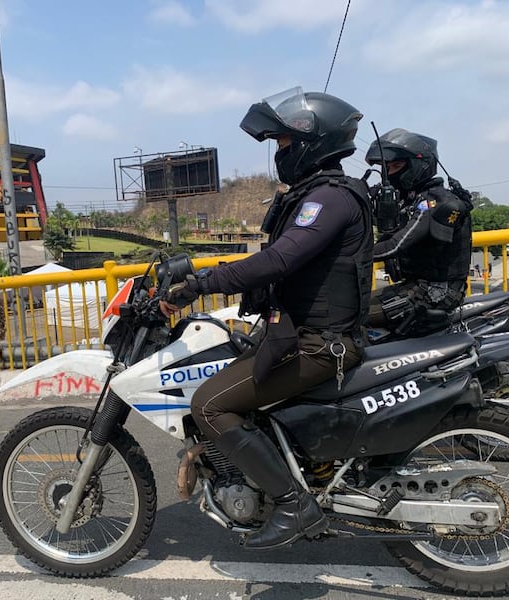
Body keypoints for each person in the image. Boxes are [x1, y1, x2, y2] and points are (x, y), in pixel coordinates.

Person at [161, 87, 373, 550]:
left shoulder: (329, 199)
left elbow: (279, 261)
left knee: (210, 405)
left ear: (310, 142)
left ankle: (294, 505)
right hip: (305, 335)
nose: (279, 154)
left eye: (282, 143)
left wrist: (200, 283)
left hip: (320, 345)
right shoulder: (319, 195)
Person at [364, 128, 473, 335]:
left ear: (417, 165)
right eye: (387, 168)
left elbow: (395, 244)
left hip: (435, 293)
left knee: (352, 317)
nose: (390, 173)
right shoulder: (411, 198)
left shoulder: (435, 202)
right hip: (414, 286)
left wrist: (349, 256)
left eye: (396, 166)